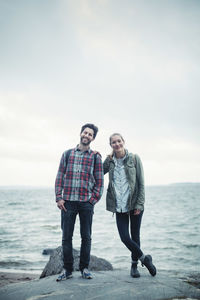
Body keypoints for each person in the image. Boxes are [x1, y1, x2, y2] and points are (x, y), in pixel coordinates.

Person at [55, 123, 104, 281]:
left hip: (85, 203)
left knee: (86, 237)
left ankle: (84, 268)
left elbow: (100, 181)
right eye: (85, 133)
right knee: (66, 237)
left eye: (90, 134)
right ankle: (67, 270)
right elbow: (59, 176)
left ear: (93, 138)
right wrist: (59, 197)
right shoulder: (67, 154)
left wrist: (92, 200)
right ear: (80, 133)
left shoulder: (95, 156)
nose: (87, 136)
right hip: (67, 202)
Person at [103, 133, 156, 278]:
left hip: (134, 204)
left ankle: (134, 267)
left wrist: (140, 204)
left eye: (119, 141)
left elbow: (141, 183)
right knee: (125, 238)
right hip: (119, 206)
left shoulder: (134, 158)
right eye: (113, 142)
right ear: (111, 145)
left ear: (123, 142)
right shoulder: (109, 161)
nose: (117, 144)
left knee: (135, 235)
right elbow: (98, 172)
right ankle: (145, 259)